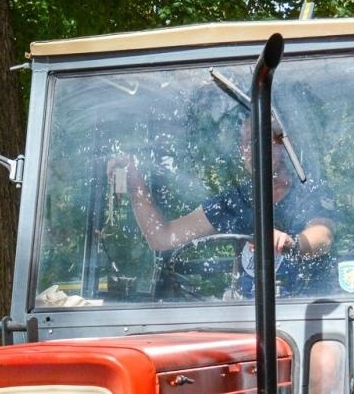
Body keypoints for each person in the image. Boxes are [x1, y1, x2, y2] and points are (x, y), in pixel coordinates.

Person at [107, 116, 336, 296]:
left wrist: (291, 244)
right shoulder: (234, 201)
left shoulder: (309, 190)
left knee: (323, 357)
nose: (251, 150)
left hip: (307, 307)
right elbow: (163, 237)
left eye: (261, 139)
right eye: (246, 143)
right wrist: (136, 184)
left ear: (285, 144)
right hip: (248, 313)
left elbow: (322, 236)